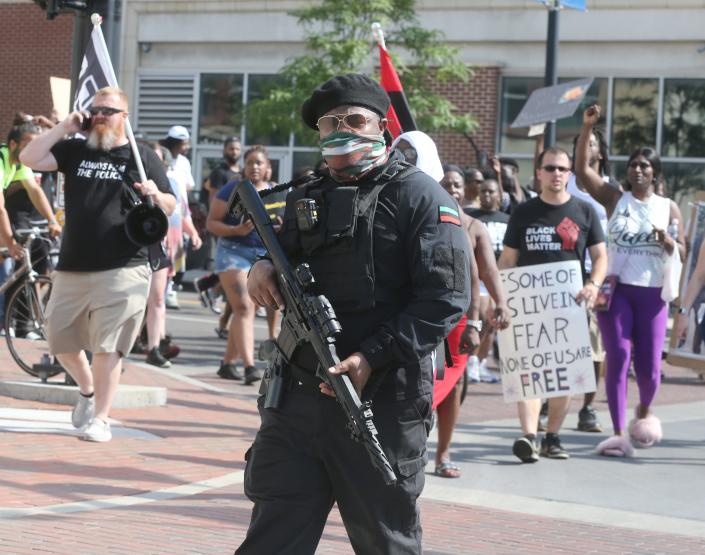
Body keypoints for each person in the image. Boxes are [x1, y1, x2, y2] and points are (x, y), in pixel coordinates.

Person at [238, 74, 470, 554]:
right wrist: (260, 267)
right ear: (319, 133)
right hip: (298, 400)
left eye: (356, 120)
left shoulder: (420, 198)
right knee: (272, 540)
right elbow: (284, 254)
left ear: (381, 126)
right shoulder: (306, 195)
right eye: (331, 122)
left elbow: (444, 299)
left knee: (386, 541)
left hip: (381, 402)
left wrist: (371, 357)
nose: (344, 130)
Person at [19, 86, 175, 442]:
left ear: (125, 117)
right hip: (74, 263)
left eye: (109, 110)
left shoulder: (143, 155)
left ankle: (101, 418)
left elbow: (170, 204)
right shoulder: (75, 148)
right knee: (59, 339)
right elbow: (29, 157)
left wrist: (155, 194)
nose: (100, 115)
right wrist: (64, 126)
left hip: (124, 264)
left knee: (108, 346)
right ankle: (87, 390)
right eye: (96, 110)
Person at [575, 105, 685, 457]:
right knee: (619, 355)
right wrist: (587, 127)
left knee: (651, 369)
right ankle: (620, 432)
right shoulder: (614, 199)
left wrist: (669, 243)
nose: (638, 169)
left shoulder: (668, 207)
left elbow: (680, 248)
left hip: (652, 294)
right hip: (616, 291)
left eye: (645, 165)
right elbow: (581, 170)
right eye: (634, 164)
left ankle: (643, 412)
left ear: (655, 173)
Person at [499, 146, 607, 462]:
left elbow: (601, 257)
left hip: (570, 307)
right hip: (529, 307)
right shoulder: (524, 212)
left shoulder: (584, 211)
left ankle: (552, 437)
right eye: (550, 168)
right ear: (539, 173)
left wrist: (593, 285)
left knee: (566, 374)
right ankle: (529, 437)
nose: (556, 174)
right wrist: (500, 298)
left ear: (569, 174)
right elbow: (507, 259)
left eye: (562, 169)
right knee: (530, 374)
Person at [435, 164, 509, 478]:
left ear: (466, 191)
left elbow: (487, 272)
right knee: (423, 384)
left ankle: (443, 453)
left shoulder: (474, 226)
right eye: (446, 184)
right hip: (425, 316)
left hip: (462, 318)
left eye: (457, 185)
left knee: (453, 386)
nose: (452, 189)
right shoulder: (425, 219)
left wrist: (501, 302)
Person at [207, 145, 274, 384]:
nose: (254, 167)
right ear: (244, 167)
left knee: (251, 308)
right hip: (233, 252)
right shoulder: (232, 189)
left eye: (259, 163)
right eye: (250, 163)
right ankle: (249, 367)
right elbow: (212, 223)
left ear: (268, 167)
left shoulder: (276, 191)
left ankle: (227, 363)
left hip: (264, 256)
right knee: (245, 307)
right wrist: (235, 229)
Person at [0, 120, 62, 331]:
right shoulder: (1, 160)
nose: (33, 150)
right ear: (13, 144)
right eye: (29, 144)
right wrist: (9, 242)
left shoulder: (19, 163)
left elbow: (35, 190)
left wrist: (52, 221)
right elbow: (0, 208)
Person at [465, 177, 511, 379]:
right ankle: (472, 361)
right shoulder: (471, 217)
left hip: (499, 277)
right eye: (483, 191)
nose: (486, 195)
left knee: (493, 326)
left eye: (491, 191)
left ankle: (480, 363)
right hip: (479, 276)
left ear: (499, 196)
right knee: (482, 317)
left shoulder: (507, 219)